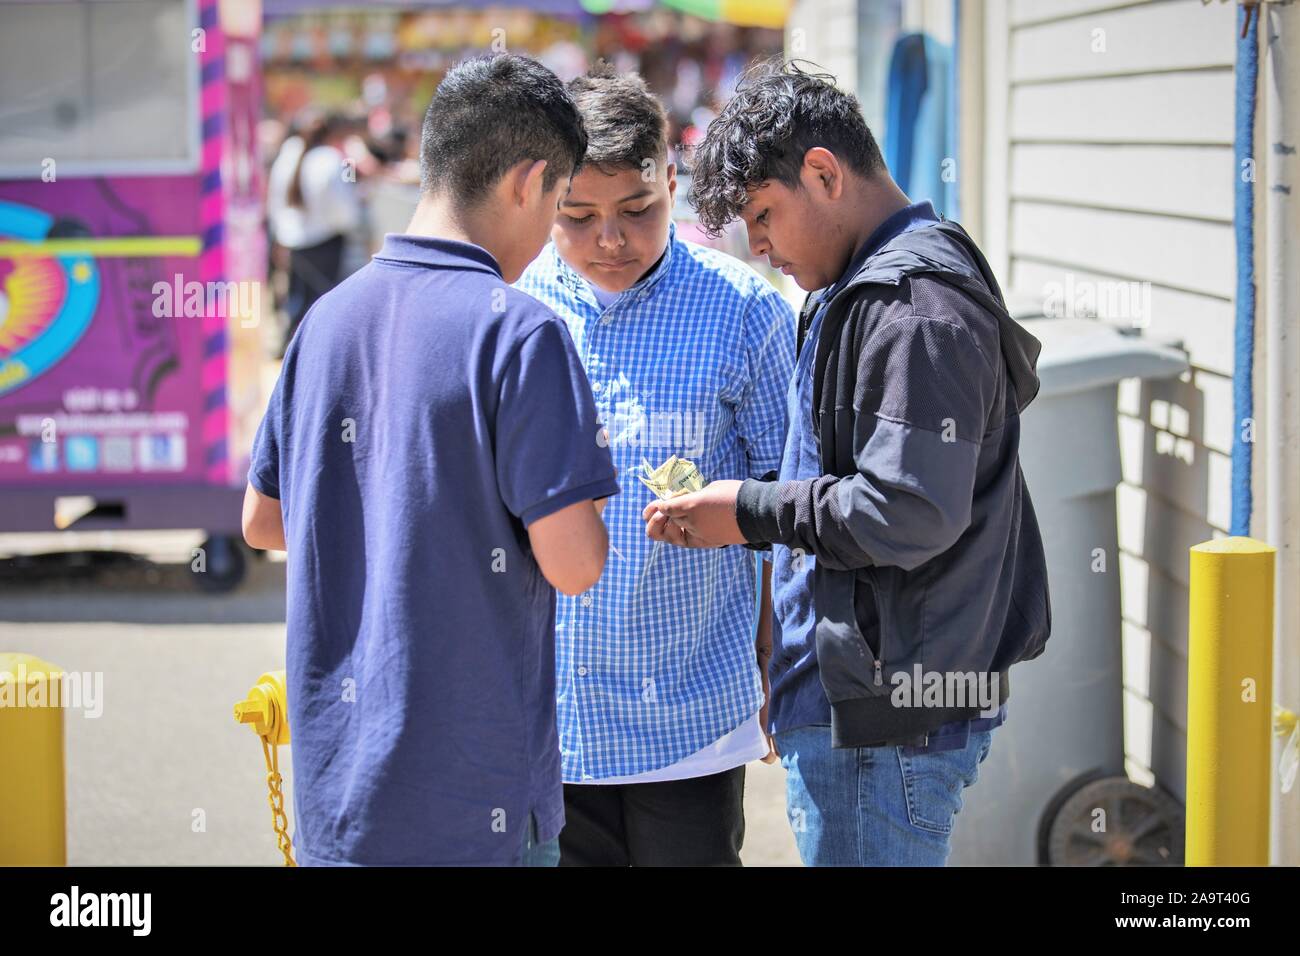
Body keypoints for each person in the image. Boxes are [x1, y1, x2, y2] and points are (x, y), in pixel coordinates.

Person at [643, 61, 1052, 866]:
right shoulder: (859, 284)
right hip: (857, 709)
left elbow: (908, 510)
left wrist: (750, 511)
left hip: (886, 727)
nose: (759, 247)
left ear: (824, 173)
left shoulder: (913, 308)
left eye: (763, 216)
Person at [242, 54, 620, 867]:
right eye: (561, 204)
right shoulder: (521, 332)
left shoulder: (325, 322)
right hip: (472, 806)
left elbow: (262, 520)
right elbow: (576, 564)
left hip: (337, 801)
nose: (557, 234)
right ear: (527, 183)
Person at [514, 63, 795, 866]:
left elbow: (790, 507)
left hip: (693, 713)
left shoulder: (744, 311)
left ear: (671, 181)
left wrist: (780, 659)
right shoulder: (514, 310)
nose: (612, 240)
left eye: (639, 209)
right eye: (578, 216)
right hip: (552, 716)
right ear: (542, 202)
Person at [266, 112, 364, 349]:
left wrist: (281, 233)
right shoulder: (334, 159)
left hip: (294, 239)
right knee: (321, 301)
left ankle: (289, 344)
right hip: (325, 240)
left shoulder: (290, 153)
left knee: (297, 299)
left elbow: (275, 197)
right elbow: (345, 200)